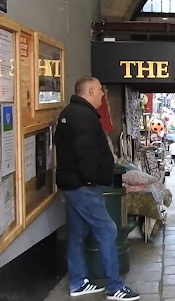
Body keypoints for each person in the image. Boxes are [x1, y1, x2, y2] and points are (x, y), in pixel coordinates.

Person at [54, 77, 140, 300]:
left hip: (71, 184)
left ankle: (77, 282)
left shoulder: (68, 113)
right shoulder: (83, 117)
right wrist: (95, 179)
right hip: (83, 187)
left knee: (77, 232)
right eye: (100, 91)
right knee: (107, 230)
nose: (103, 95)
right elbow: (86, 155)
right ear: (90, 90)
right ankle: (114, 286)